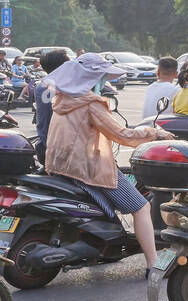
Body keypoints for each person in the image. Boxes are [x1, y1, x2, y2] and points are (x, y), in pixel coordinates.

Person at [43, 53, 173, 269]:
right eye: (102, 77)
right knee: (141, 207)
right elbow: (122, 135)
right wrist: (155, 134)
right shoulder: (91, 103)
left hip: (59, 165)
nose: (103, 82)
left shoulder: (62, 99)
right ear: (91, 79)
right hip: (85, 168)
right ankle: (153, 264)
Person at [33, 49, 71, 160]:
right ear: (62, 67)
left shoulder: (62, 84)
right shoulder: (48, 87)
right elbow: (48, 119)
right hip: (56, 148)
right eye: (69, 63)